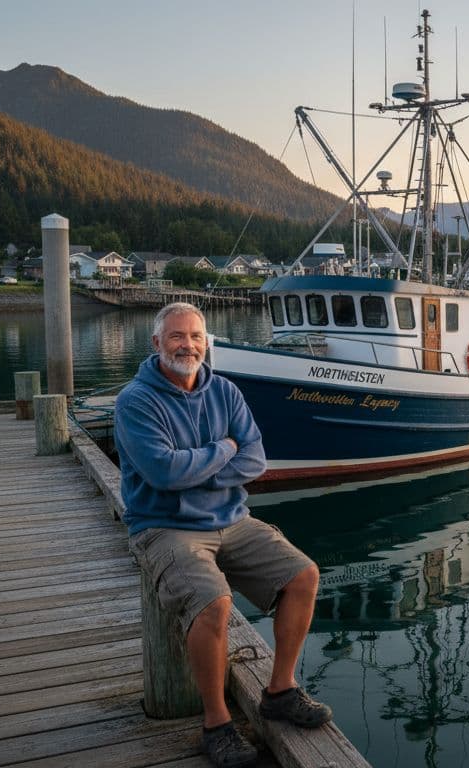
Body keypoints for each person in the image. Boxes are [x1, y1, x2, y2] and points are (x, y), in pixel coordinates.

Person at [115, 302, 330, 768]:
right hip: (164, 526)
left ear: (206, 341)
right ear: (156, 343)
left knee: (304, 576)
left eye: (195, 336)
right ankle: (216, 723)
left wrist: (202, 468)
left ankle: (280, 690)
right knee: (214, 604)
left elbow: (254, 460)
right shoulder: (136, 400)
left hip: (230, 519)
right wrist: (222, 450)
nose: (187, 345)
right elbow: (162, 472)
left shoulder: (226, 392)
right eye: (176, 336)